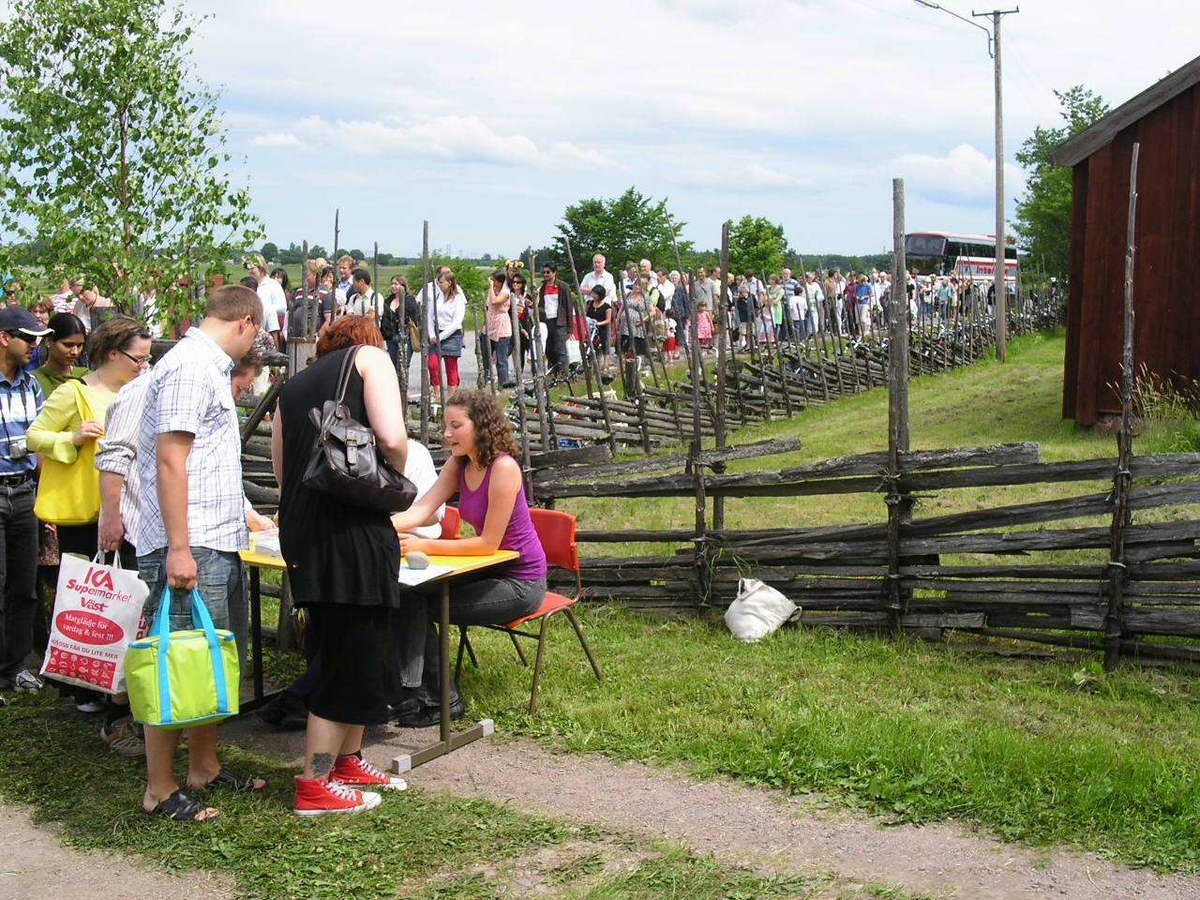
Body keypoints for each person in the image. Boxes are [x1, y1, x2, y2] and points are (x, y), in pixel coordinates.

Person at [132, 284, 265, 823]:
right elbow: (171, 460)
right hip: (190, 543)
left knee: (208, 658)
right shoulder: (190, 366)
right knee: (174, 657)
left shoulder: (204, 365)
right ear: (247, 324)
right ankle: (159, 788)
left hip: (215, 537)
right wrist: (179, 548)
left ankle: (204, 766)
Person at [96, 350, 272, 756]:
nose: (235, 391)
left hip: (196, 535)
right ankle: (131, 726)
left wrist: (247, 515)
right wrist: (112, 515)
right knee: (162, 643)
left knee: (193, 649)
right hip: (156, 532)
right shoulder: (145, 392)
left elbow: (212, 467)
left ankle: (195, 756)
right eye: (239, 384)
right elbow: (115, 455)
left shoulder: (203, 385)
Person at [272, 315, 410, 815]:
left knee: (349, 644)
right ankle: (314, 784)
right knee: (346, 652)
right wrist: (392, 469)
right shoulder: (371, 359)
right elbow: (392, 438)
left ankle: (347, 761)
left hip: (304, 529)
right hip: (352, 527)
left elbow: (282, 468)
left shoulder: (291, 387)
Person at [389, 389, 547, 728]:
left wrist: (426, 547)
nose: (446, 434)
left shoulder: (503, 468)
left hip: (521, 581)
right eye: (445, 425)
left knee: (428, 606)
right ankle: (414, 692)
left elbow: (488, 544)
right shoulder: (458, 464)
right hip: (485, 570)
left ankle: (440, 699)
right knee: (406, 595)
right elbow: (420, 510)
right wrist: (375, 529)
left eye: (455, 425)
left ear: (481, 426)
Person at [27, 316, 151, 714]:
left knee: (124, 599)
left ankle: (116, 683)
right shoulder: (74, 393)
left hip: (127, 511)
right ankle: (85, 684)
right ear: (114, 353)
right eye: (138, 358)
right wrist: (74, 437)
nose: (143, 366)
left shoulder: (141, 391)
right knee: (88, 601)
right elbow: (34, 437)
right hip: (84, 514)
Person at [0, 306, 51, 702]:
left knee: (23, 585)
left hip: (24, 492)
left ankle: (14, 667)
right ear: (5, 338)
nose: (36, 345)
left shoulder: (31, 386)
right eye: (28, 338)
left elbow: (39, 442)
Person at [32, 313, 89, 398]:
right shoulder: (33, 381)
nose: (75, 352)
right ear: (48, 341)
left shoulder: (87, 377)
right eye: (68, 345)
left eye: (80, 345)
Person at [427, 270, 466, 389]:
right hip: (436, 333)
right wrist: (432, 334)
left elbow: (456, 322)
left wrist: (441, 337)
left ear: (449, 283)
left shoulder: (458, 299)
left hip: (452, 335)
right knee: (432, 364)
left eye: (441, 282)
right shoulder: (437, 296)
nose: (439, 285)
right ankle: (436, 391)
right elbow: (430, 316)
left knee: (451, 366)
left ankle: (451, 394)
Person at [537, 262, 573, 375]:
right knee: (549, 349)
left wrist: (570, 328)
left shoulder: (563, 287)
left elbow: (568, 307)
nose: (545, 274)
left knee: (560, 349)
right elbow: (541, 305)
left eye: (548, 272)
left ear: (554, 273)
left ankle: (563, 374)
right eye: (544, 272)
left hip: (560, 322)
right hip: (547, 321)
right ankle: (554, 371)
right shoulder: (542, 288)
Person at [380, 275, 417, 375]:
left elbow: (408, 316)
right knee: (393, 366)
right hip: (391, 337)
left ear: (403, 286)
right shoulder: (388, 301)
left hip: (405, 338)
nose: (393, 286)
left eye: (396, 284)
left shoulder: (409, 300)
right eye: (392, 284)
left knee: (403, 365)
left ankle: (403, 388)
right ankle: (395, 388)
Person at [485, 270, 513, 387]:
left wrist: (491, 287)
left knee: (501, 359)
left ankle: (504, 384)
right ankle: (486, 381)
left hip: (502, 327)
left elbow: (494, 301)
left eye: (495, 281)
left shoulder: (505, 292)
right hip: (491, 325)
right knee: (486, 356)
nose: (493, 283)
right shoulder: (494, 291)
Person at [585, 285, 612, 372]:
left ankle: (605, 364)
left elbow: (608, 320)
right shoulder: (589, 303)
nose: (593, 296)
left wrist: (599, 323)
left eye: (595, 294)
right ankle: (589, 363)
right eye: (593, 293)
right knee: (590, 345)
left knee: (605, 345)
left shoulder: (607, 307)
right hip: (591, 328)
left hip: (602, 328)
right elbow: (585, 314)